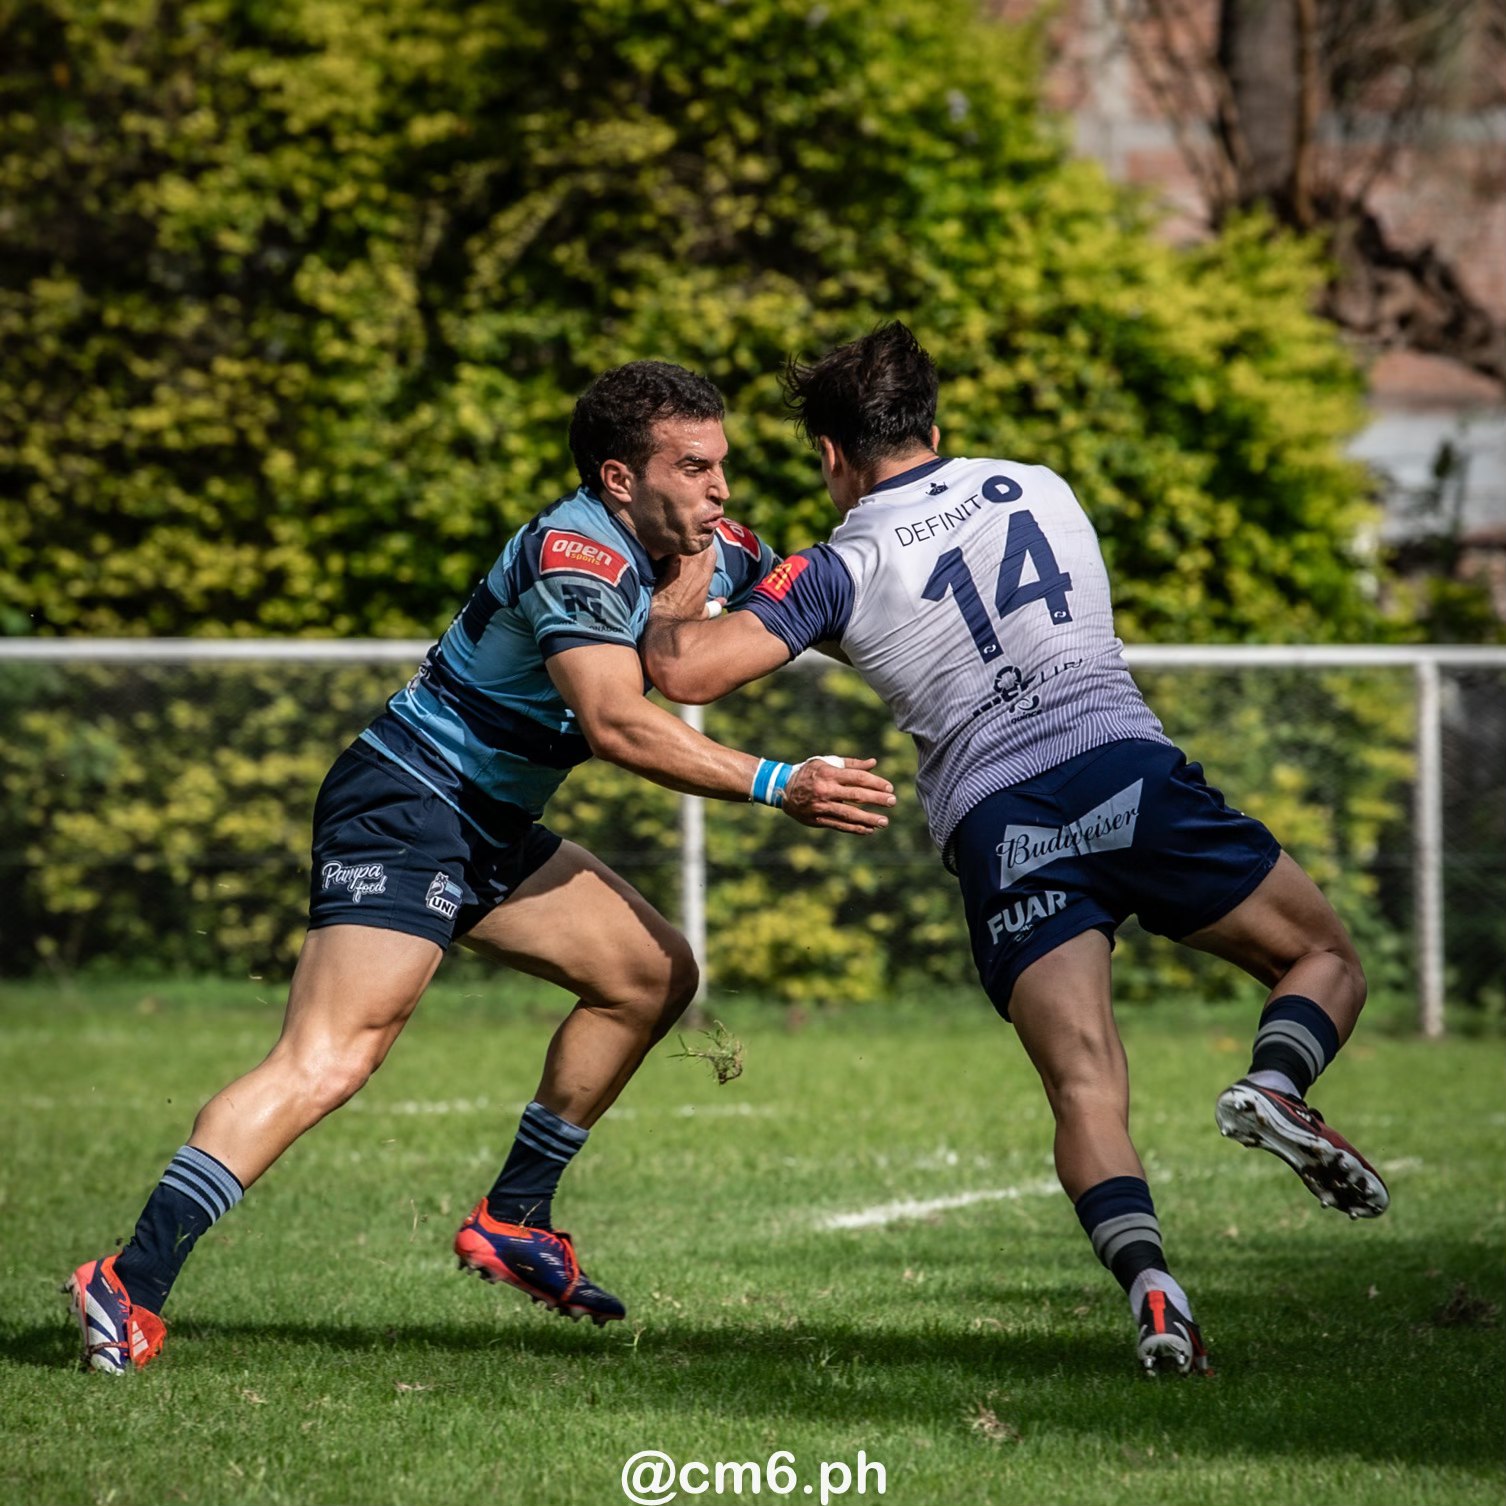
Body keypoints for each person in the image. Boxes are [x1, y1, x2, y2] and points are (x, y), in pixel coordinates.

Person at [66, 359, 896, 1374]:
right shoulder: (575, 550)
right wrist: (781, 781)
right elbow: (617, 722)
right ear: (619, 477)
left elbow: (836, 617)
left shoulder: (712, 545)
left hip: (489, 822)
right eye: (693, 466)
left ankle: (514, 1220)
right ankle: (128, 1282)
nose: (721, 487)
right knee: (333, 1056)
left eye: (723, 464)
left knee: (649, 976)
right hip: (408, 800)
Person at [642, 323, 1389, 1377]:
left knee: (1086, 1087)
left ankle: (1155, 1292)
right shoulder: (1039, 484)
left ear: (828, 456)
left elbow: (683, 673)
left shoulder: (837, 566)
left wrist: (685, 569)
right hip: (1122, 770)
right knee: (1325, 960)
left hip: (1002, 824)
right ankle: (1275, 1081)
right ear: (933, 425)